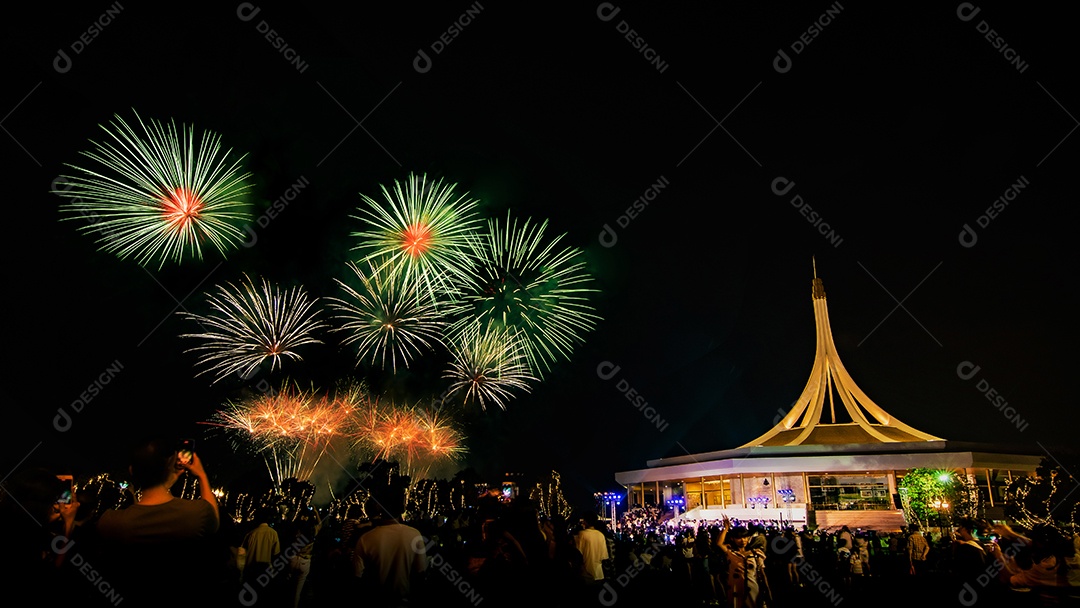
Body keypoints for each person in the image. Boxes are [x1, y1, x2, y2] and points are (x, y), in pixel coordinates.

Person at [92, 436, 223, 607]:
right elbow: (214, 516)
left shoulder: (109, 522)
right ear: (170, 466)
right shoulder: (196, 514)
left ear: (132, 471)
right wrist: (201, 475)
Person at [351, 488, 427, 607]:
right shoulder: (414, 535)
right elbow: (420, 574)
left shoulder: (365, 539)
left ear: (379, 507)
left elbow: (357, 577)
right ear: (402, 508)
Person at [717, 515, 769, 608]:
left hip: (753, 587)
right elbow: (719, 544)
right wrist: (726, 528)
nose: (742, 540)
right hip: (736, 588)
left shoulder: (755, 553)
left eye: (745, 537)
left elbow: (762, 573)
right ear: (733, 539)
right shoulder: (731, 553)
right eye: (739, 538)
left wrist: (767, 589)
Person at [242, 507, 282, 585]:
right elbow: (276, 553)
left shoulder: (251, 534)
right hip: (265, 570)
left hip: (250, 570)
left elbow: (243, 552)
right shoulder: (273, 533)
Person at [574, 511, 609, 585]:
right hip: (599, 574)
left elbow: (578, 554)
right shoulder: (601, 535)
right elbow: (604, 556)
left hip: (586, 573)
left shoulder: (582, 534)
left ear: (586, 521)